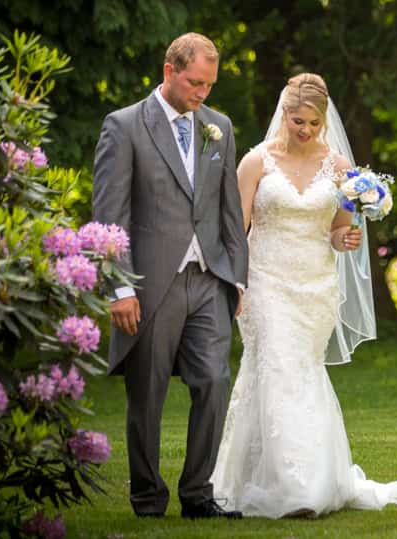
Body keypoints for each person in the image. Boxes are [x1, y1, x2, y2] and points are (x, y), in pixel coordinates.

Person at [210, 73, 397, 517]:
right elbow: (236, 230)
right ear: (284, 114)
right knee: (275, 367)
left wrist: (345, 240)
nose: (305, 130)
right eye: (297, 121)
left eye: (312, 123)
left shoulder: (341, 170)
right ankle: (290, 489)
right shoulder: (256, 163)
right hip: (266, 279)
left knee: (302, 373)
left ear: (323, 120)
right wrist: (233, 283)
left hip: (315, 285)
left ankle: (309, 478)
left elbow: (336, 232)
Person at [92, 33, 249, 519]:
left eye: (209, 85)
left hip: (209, 280)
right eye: (195, 83)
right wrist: (118, 286)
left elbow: (228, 213)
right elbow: (109, 213)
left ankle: (199, 495)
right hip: (149, 281)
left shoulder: (218, 127)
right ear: (169, 70)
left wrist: (237, 279)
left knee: (214, 380)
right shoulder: (124, 126)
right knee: (148, 394)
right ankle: (147, 498)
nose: (203, 93)